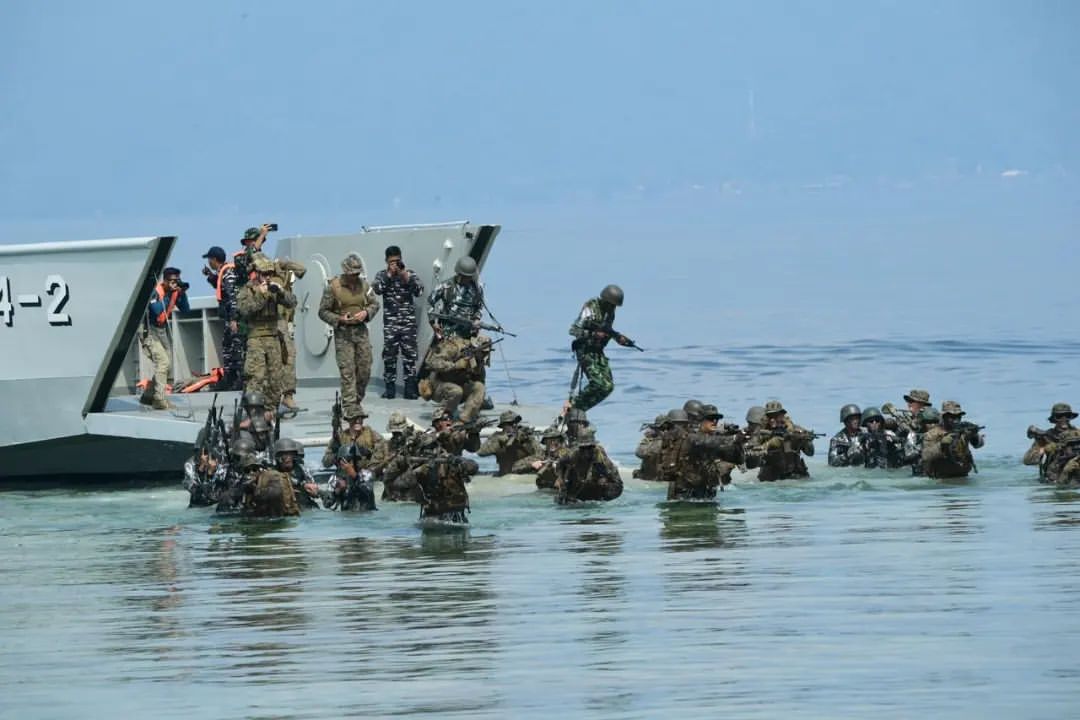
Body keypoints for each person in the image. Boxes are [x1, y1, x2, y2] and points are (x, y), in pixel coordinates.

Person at [318, 253, 381, 420]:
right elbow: (322, 311)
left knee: (365, 369)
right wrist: (339, 319)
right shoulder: (333, 287)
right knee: (348, 371)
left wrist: (366, 313)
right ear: (345, 271)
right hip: (343, 334)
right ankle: (349, 406)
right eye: (352, 273)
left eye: (357, 273)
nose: (355, 276)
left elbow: (375, 304)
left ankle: (356, 400)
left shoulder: (364, 286)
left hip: (361, 332)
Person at [237, 255, 296, 410]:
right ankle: (254, 411)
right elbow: (245, 310)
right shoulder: (247, 290)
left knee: (276, 378)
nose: (268, 277)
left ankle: (271, 410)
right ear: (257, 273)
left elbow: (292, 302)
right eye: (264, 274)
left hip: (273, 337)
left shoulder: (274, 288)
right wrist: (261, 295)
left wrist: (281, 292)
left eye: (270, 274)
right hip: (256, 338)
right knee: (256, 376)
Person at [567, 284, 634, 412]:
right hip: (585, 350)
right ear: (605, 300)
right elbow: (573, 330)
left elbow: (607, 330)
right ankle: (572, 407)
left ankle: (579, 410)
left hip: (598, 352)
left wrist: (618, 337)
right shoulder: (591, 307)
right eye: (611, 304)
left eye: (615, 306)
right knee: (598, 384)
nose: (613, 308)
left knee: (608, 387)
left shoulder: (610, 313)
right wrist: (593, 334)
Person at [372, 245, 425, 399]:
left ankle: (410, 389)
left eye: (397, 261)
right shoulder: (382, 275)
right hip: (391, 324)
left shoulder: (409, 274)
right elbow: (377, 289)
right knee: (389, 356)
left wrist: (404, 275)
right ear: (386, 261)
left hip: (408, 324)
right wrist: (389, 274)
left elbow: (419, 291)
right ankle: (389, 389)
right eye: (391, 262)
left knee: (409, 357)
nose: (395, 264)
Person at [665, 405, 745, 500]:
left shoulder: (716, 439)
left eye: (717, 419)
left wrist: (738, 443)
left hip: (707, 492)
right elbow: (704, 442)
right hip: (684, 493)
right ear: (701, 420)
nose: (715, 421)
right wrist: (731, 438)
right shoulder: (690, 436)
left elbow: (738, 459)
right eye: (710, 418)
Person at [139, 267, 190, 410]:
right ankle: (159, 399)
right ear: (165, 281)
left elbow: (186, 310)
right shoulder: (156, 292)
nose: (175, 283)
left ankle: (148, 395)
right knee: (163, 362)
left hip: (161, 330)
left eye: (177, 280)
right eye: (173, 281)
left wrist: (182, 295)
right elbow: (156, 310)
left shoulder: (174, 293)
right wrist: (169, 295)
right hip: (149, 330)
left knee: (167, 365)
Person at [422, 333, 492, 422]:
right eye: (483, 352)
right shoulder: (454, 348)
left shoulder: (477, 361)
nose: (484, 355)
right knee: (456, 390)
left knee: (479, 387)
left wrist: (477, 403)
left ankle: (464, 419)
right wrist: (455, 365)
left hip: (458, 388)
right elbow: (432, 363)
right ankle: (445, 418)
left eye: (486, 353)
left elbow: (480, 380)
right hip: (437, 386)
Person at [201, 246, 243, 390]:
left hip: (233, 318)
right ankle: (229, 378)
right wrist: (209, 275)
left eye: (209, 259)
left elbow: (233, 297)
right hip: (228, 318)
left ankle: (239, 379)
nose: (209, 262)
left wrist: (234, 319)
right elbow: (220, 286)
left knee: (235, 348)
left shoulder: (228, 273)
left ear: (214, 259)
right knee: (227, 347)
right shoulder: (222, 272)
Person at [745, 400, 816, 481]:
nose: (772, 420)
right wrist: (767, 445)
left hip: (797, 476)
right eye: (769, 416)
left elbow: (810, 453)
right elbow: (750, 463)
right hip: (771, 479)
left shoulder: (794, 430)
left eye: (776, 416)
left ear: (782, 415)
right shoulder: (761, 433)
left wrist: (805, 442)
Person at [554, 427, 623, 503]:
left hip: (596, 487)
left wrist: (605, 485)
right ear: (579, 447)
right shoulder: (573, 454)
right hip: (576, 485)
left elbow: (618, 483)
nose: (586, 453)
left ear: (594, 446)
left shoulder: (600, 457)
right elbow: (560, 463)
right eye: (583, 449)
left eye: (589, 448)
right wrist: (560, 480)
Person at [274, 257, 307, 412]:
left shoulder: (286, 283)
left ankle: (288, 395)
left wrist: (286, 264)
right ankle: (273, 398)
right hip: (273, 324)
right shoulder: (273, 278)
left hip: (284, 324)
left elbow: (302, 270)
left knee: (289, 358)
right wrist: (283, 264)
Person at [921, 400, 985, 479]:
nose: (956, 420)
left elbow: (979, 445)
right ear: (944, 416)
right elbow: (925, 456)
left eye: (958, 416)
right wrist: (941, 445)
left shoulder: (963, 430)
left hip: (963, 476)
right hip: (940, 478)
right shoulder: (932, 434)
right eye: (952, 417)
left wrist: (974, 435)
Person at [427, 256, 485, 340]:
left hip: (466, 334)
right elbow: (429, 302)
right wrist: (433, 323)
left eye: (469, 277)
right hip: (446, 332)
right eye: (464, 276)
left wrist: (477, 319)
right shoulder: (446, 286)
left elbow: (479, 306)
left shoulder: (477, 289)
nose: (466, 279)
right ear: (459, 273)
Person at [1024, 403, 1080, 483]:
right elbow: (1028, 461)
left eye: (1067, 416)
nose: (1063, 420)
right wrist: (1044, 450)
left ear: (1071, 417)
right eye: (1059, 416)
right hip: (1055, 479)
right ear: (1054, 419)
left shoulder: (1078, 434)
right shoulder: (1046, 437)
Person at [477, 410, 544, 476]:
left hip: (525, 472)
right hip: (506, 474)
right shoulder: (497, 437)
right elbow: (481, 452)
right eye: (510, 423)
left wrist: (525, 442)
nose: (514, 425)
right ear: (503, 426)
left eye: (516, 422)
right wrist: (500, 441)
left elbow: (540, 455)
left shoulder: (524, 435)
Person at [238, 453, 301, 518]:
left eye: (254, 469)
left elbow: (275, 493)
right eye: (247, 470)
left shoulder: (271, 476)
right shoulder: (243, 484)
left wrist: (255, 489)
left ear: (259, 469)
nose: (251, 473)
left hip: (279, 516)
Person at [322, 410, 386, 470]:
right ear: (348, 420)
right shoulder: (340, 438)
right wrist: (336, 454)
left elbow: (383, 453)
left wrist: (369, 453)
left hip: (367, 472)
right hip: (344, 473)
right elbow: (326, 463)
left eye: (360, 418)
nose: (357, 421)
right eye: (354, 418)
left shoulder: (372, 435)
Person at [327, 444, 377, 511]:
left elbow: (367, 493)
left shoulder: (366, 474)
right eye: (347, 460)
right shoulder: (335, 478)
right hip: (347, 514)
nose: (351, 463)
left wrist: (355, 476)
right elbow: (327, 504)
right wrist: (337, 492)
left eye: (353, 460)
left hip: (366, 513)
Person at [273, 438, 321, 508]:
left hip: (302, 504)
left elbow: (312, 488)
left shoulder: (301, 469)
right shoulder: (272, 472)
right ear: (278, 457)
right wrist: (302, 486)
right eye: (284, 455)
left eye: (291, 454)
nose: (288, 458)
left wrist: (315, 490)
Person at [233, 224, 273, 288]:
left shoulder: (263, 258)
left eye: (260, 241)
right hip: (245, 291)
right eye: (255, 240)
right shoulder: (239, 257)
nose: (259, 243)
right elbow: (251, 254)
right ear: (246, 242)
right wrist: (262, 235)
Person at [634, 413, 670, 480]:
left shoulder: (669, 441)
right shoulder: (651, 441)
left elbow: (640, 453)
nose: (665, 431)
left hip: (657, 477)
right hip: (655, 477)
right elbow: (639, 453)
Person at [908, 407, 940, 476]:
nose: (932, 425)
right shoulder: (914, 437)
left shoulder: (943, 435)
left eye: (935, 422)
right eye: (929, 422)